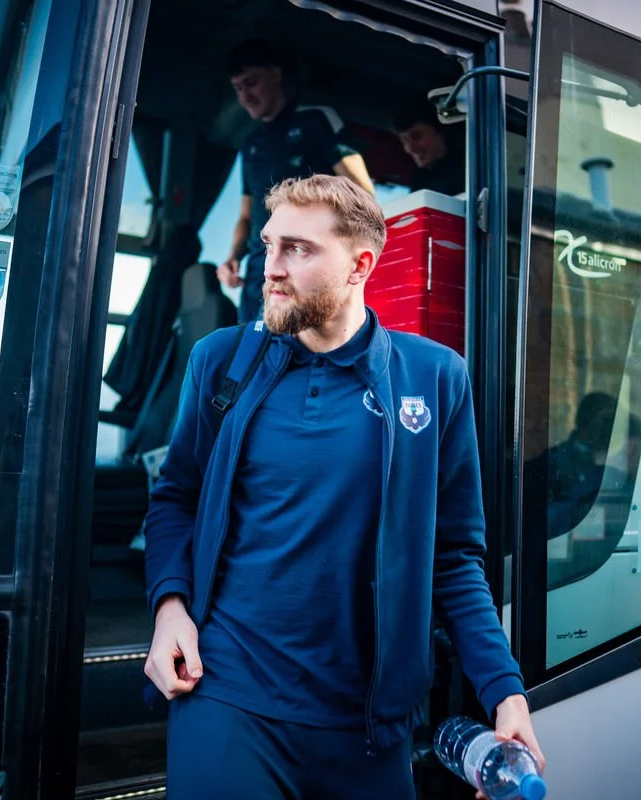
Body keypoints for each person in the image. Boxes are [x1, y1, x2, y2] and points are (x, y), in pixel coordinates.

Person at [144, 175, 544, 798]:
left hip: (369, 725)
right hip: (225, 693)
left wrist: (505, 691)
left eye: (299, 249)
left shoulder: (435, 378)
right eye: (270, 246)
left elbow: (455, 558)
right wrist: (170, 609)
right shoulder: (219, 360)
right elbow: (175, 499)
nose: (271, 269)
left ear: (360, 266)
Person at [217, 38, 375, 324]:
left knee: (291, 357)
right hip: (258, 272)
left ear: (275, 75)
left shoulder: (316, 120)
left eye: (251, 82)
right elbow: (246, 215)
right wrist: (232, 257)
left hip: (305, 266)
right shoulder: (249, 144)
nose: (245, 96)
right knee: (249, 357)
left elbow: (362, 194)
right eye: (238, 88)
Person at [391, 100, 466, 196]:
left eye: (416, 136)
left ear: (440, 131)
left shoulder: (469, 171)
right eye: (405, 141)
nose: (410, 148)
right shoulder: (420, 181)